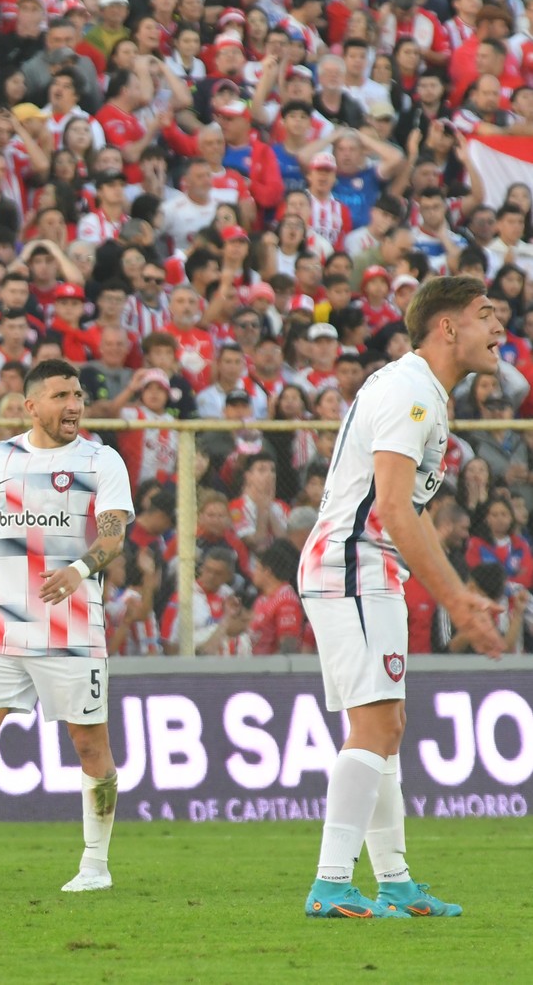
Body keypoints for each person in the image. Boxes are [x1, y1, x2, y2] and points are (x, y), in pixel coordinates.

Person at [298, 276, 505, 920]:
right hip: (353, 560)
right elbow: (391, 506)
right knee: (375, 725)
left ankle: (394, 883)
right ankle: (331, 884)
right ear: (447, 327)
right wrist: (459, 597)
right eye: (485, 314)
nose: (500, 328)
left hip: (365, 564)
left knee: (388, 724)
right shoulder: (411, 391)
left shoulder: (423, 392)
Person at [0, 357, 134, 894]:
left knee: (89, 746)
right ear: (30, 405)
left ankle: (95, 865)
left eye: (78, 395)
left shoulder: (101, 461)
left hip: (72, 632)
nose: (74, 405)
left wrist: (78, 570)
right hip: (1, 627)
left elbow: (113, 538)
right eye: (61, 396)